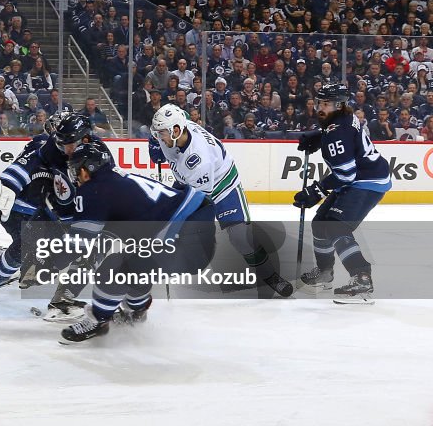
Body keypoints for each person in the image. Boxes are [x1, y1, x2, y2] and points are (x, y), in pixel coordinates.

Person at [58, 139, 218, 345]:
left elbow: (79, 243)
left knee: (114, 269)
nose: (75, 177)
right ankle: (137, 312)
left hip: (185, 234)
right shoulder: (117, 177)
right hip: (197, 224)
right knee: (136, 264)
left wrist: (43, 254)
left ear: (88, 168)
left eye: (76, 170)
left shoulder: (94, 189)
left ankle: (99, 320)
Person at [148, 104, 293, 296]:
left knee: (240, 237)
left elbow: (197, 199)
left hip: (223, 186)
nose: (159, 137)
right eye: (158, 133)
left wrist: (170, 226)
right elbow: (178, 113)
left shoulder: (198, 159)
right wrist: (154, 142)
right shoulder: (177, 127)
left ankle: (269, 276)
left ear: (176, 130)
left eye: (161, 133)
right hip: (189, 182)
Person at [0, 112, 97, 322]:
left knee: (39, 260)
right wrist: (7, 185)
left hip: (44, 211)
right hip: (21, 208)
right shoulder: (42, 144)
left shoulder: (81, 154)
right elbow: (21, 168)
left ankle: (6, 261)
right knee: (28, 248)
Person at [294, 83, 392, 304]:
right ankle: (325, 274)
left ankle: (362, 280)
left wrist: (316, 190)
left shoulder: (337, 132)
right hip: (358, 178)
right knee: (320, 223)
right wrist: (319, 136)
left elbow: (346, 174)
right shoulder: (343, 118)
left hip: (367, 181)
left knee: (337, 226)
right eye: (319, 102)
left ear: (339, 105)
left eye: (326, 104)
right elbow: (342, 134)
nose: (320, 107)